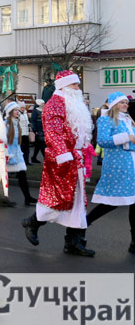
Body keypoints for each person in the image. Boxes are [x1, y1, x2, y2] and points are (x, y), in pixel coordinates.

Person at [22, 70, 95, 257]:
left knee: (77, 201)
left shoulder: (71, 103)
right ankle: (33, 221)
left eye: (78, 84)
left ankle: (73, 242)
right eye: (74, 85)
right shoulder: (55, 103)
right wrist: (64, 155)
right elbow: (53, 131)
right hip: (62, 159)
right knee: (58, 198)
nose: (78, 89)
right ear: (64, 86)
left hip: (74, 158)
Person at [86, 92, 135, 254]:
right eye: (122, 103)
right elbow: (102, 141)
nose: (126, 105)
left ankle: (134, 242)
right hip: (118, 165)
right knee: (111, 203)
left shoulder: (128, 119)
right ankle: (81, 227)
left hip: (131, 164)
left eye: (126, 103)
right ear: (113, 104)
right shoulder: (105, 119)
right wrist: (127, 137)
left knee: (134, 203)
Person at [5, 103, 37, 206]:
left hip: (17, 155)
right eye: (15, 110)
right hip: (8, 155)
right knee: (2, 176)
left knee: (22, 175)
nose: (17, 112)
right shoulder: (6, 124)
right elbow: (4, 141)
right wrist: (8, 154)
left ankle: (27, 197)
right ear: (10, 112)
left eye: (18, 110)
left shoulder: (16, 123)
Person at [30, 99, 45, 163]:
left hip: (43, 128)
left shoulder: (44, 110)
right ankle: (45, 157)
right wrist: (35, 130)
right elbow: (33, 121)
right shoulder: (35, 111)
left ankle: (34, 157)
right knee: (42, 143)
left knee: (39, 145)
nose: (43, 104)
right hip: (38, 129)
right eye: (42, 103)